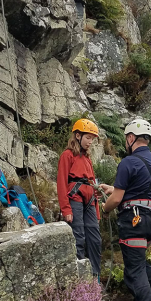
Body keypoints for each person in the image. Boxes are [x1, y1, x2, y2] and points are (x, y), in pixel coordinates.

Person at [100, 118, 151, 301]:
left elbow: (117, 200)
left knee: (134, 270)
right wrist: (113, 189)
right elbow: (141, 190)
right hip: (150, 221)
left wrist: (104, 209)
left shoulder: (128, 162)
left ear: (130, 138)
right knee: (140, 261)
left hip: (133, 222)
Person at [57, 119, 102, 278]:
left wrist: (97, 212)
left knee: (95, 239)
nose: (90, 142)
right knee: (79, 237)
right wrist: (65, 208)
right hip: (74, 199)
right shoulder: (67, 156)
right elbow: (62, 183)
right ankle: (80, 279)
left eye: (93, 139)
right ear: (78, 135)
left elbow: (94, 186)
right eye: (88, 138)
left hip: (90, 201)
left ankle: (95, 276)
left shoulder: (88, 159)